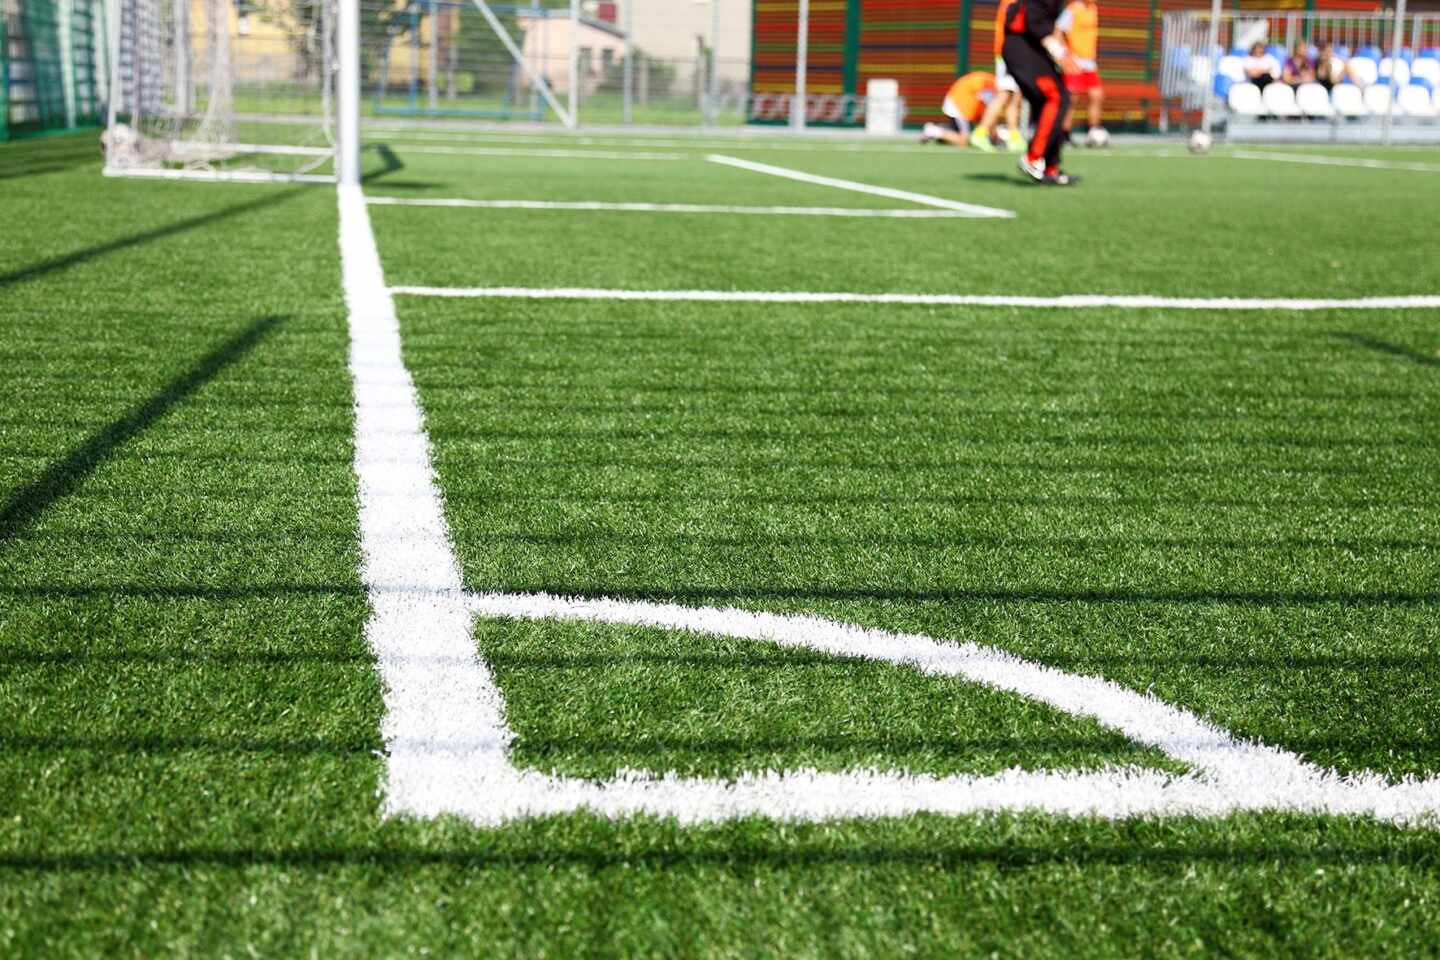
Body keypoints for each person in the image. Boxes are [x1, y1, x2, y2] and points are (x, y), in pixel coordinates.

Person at [1002, 0, 1083, 185]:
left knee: (1054, 101)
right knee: (1055, 97)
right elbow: (1034, 20)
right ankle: (1032, 158)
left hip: (1031, 47)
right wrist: (1060, 53)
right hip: (1023, 47)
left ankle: (1050, 167)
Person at [972, 0, 1028, 152]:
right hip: (1009, 53)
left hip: (1013, 53)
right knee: (1004, 95)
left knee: (1014, 95)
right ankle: (980, 132)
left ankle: (1014, 136)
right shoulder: (1012, 3)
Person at [1058, 0, 1104, 140]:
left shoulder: (1093, 8)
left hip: (1089, 61)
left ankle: (1093, 131)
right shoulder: (1072, 9)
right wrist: (1066, 55)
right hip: (1074, 60)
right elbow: (1059, 31)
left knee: (1097, 95)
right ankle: (1064, 133)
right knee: (1072, 98)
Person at [920, 72, 999, 147]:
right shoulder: (993, 86)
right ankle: (932, 131)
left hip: (958, 103)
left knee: (966, 136)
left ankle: (943, 131)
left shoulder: (992, 82)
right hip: (958, 106)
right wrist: (994, 136)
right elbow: (990, 113)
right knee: (964, 141)